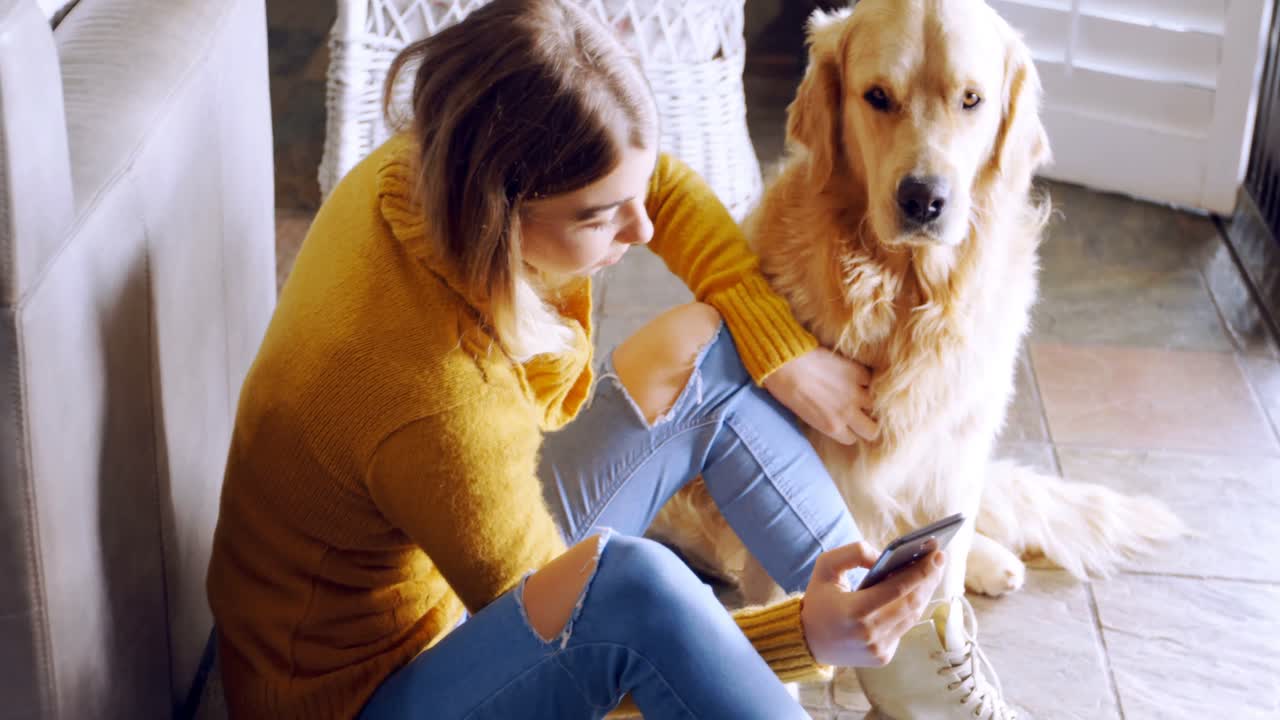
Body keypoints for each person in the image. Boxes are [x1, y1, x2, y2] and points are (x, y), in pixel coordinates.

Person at [205, 1, 945, 718]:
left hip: (441, 577)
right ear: (503, 212)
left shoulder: (435, 157)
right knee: (638, 589)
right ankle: (841, 634)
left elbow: (647, 184)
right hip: (360, 698)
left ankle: (903, 658)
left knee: (703, 353)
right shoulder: (441, 401)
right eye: (599, 217)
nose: (644, 226)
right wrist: (801, 637)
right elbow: (591, 640)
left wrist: (778, 351)